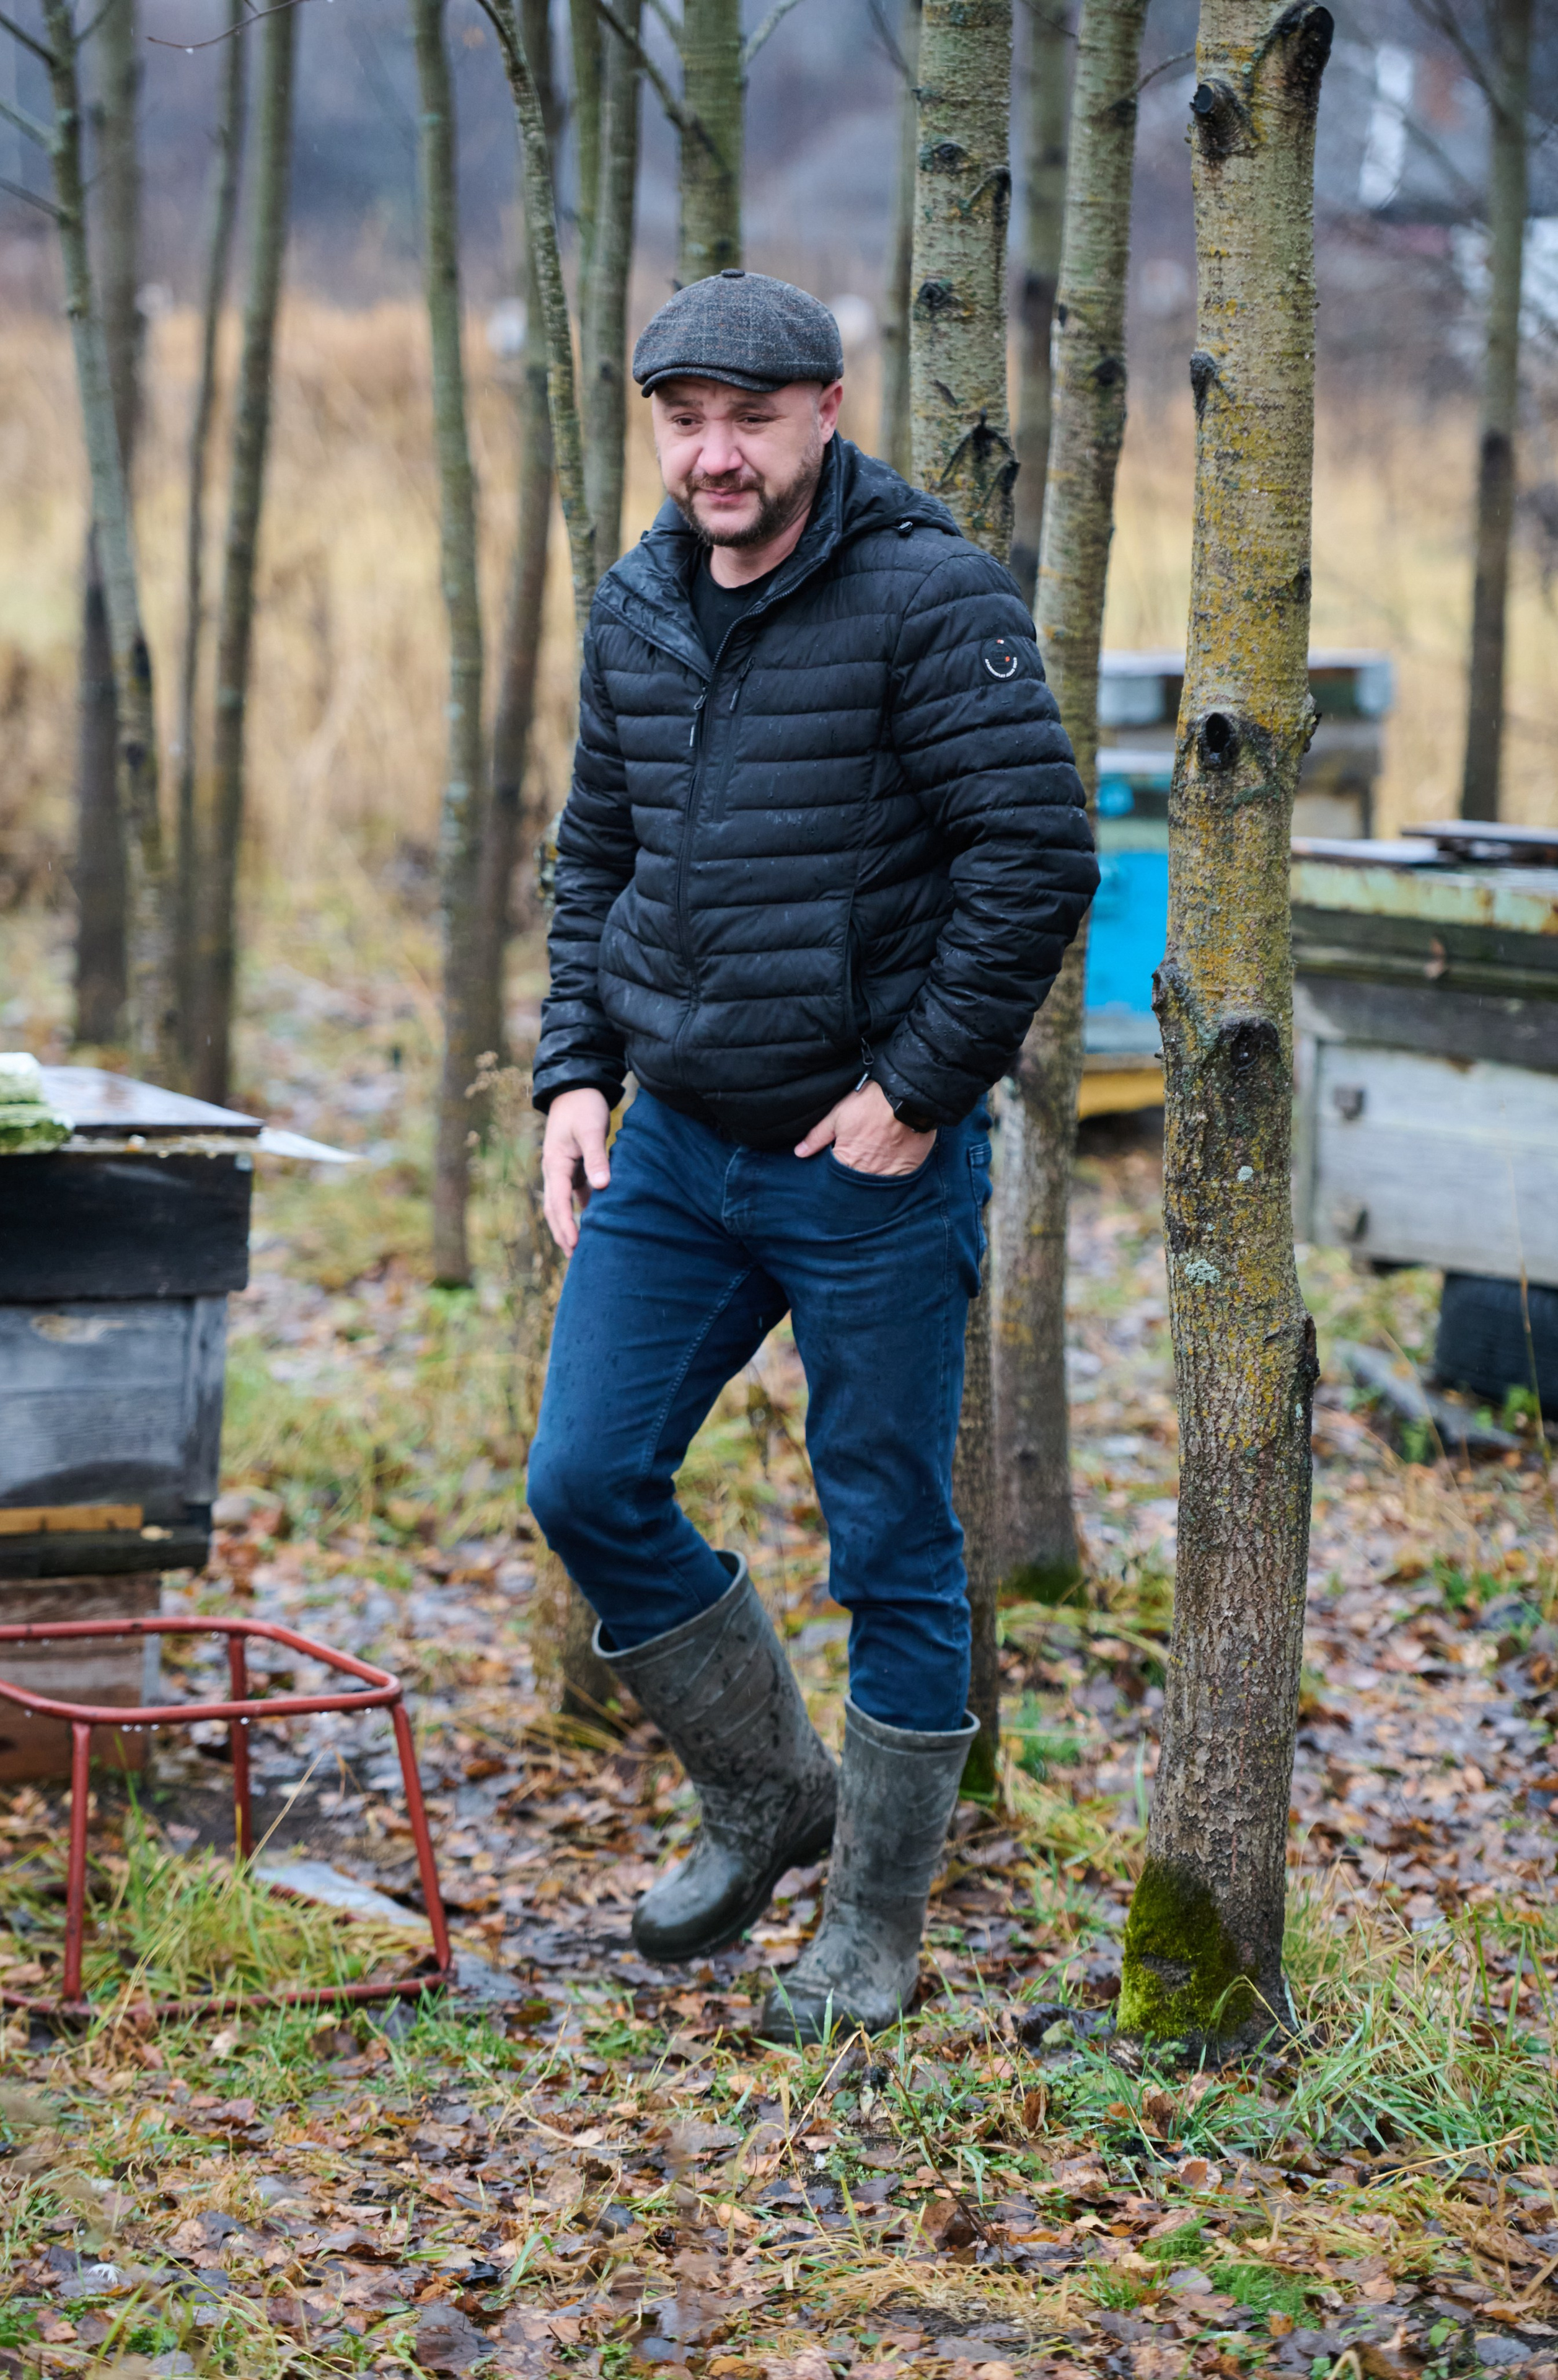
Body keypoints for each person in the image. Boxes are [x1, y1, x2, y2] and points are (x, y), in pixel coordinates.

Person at [526, 268, 1097, 2039]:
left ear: (827, 415)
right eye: (684, 420)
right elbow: (595, 855)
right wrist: (574, 1077)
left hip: (865, 1165)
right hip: (677, 1152)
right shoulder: (639, 602)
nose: (715, 455)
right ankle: (772, 1791)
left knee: (893, 1544)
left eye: (751, 421)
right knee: (584, 1480)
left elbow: (1037, 855)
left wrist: (915, 1092)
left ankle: (873, 1928)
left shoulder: (930, 596)